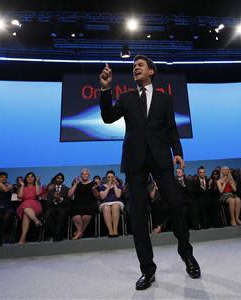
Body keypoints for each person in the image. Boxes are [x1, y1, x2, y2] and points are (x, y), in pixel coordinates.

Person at [100, 54, 199, 290]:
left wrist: (178, 152)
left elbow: (172, 129)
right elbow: (107, 117)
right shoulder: (126, 97)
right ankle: (148, 269)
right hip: (134, 161)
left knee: (175, 204)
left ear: (151, 71)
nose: (135, 68)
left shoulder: (165, 99)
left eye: (140, 65)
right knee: (137, 215)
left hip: (161, 158)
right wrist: (105, 89)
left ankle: (187, 255)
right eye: (133, 66)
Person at [16, 172, 43, 245]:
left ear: (34, 179)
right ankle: (36, 221)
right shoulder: (23, 187)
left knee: (25, 205)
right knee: (25, 213)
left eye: (32, 177)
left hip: (35, 205)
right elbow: (20, 197)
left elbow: (37, 194)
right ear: (25, 179)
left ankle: (22, 238)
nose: (30, 178)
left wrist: (37, 183)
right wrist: (22, 185)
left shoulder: (38, 186)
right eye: (28, 177)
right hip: (25, 207)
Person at [44, 173, 70, 242]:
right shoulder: (51, 189)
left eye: (61, 178)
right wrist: (55, 200)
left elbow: (68, 202)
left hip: (63, 207)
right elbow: (47, 203)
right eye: (58, 178)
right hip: (52, 207)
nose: (59, 179)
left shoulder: (66, 189)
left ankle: (57, 234)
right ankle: (55, 234)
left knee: (62, 212)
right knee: (47, 214)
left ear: (63, 180)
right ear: (55, 179)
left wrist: (60, 199)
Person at [99, 170, 124, 237]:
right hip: (105, 203)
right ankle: (110, 231)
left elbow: (118, 196)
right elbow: (102, 197)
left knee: (115, 206)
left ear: (114, 178)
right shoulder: (102, 186)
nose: (110, 179)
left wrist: (115, 185)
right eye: (108, 177)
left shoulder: (118, 186)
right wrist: (108, 187)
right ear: (106, 178)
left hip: (117, 202)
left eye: (112, 177)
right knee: (106, 207)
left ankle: (115, 230)